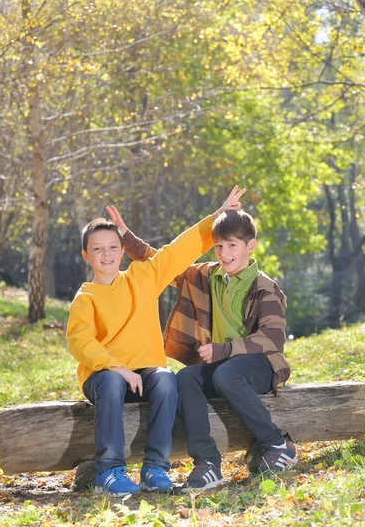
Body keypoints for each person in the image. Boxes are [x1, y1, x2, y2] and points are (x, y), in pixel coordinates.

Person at [66, 186, 245, 497]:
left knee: (165, 379)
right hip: (105, 377)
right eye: (97, 249)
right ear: (86, 255)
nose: (106, 254)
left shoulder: (142, 278)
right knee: (109, 382)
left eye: (112, 247)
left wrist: (217, 216)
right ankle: (109, 470)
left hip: (145, 374)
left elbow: (177, 251)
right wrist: (117, 368)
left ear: (122, 250)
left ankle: (155, 468)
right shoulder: (85, 298)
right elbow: (80, 342)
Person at [112, 203, 297, 492]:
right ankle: (207, 462)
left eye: (231, 245)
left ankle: (277, 443)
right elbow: (162, 264)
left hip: (260, 365)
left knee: (226, 375)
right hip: (224, 368)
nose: (224, 254)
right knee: (185, 377)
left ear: (250, 246)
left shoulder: (265, 287)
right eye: (218, 246)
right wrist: (126, 237)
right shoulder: (206, 277)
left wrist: (223, 350)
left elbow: (272, 338)